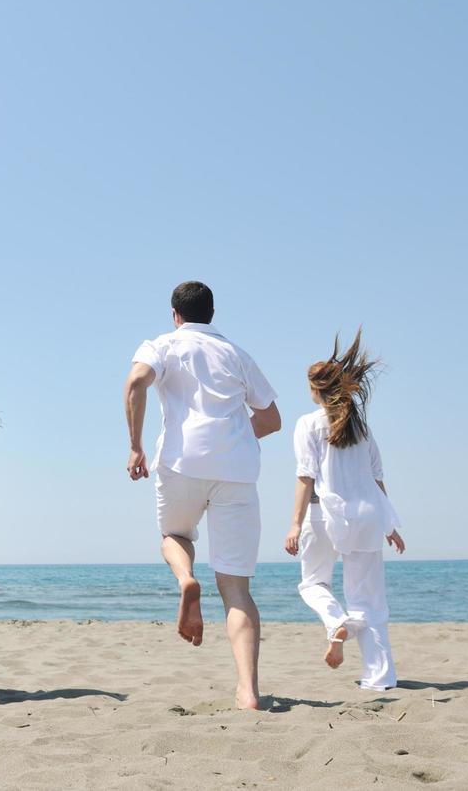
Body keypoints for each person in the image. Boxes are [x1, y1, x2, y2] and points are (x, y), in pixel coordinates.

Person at [124, 281, 281, 710]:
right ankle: (248, 691)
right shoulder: (236, 353)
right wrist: (233, 435)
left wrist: (136, 446)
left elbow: (136, 381)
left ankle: (186, 579)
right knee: (237, 589)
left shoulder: (165, 346)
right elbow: (271, 418)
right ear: (211, 314)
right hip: (237, 471)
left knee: (174, 535)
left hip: (182, 463)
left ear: (175, 314)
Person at [284, 330, 405, 690]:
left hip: (325, 515)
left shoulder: (308, 424)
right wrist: (389, 524)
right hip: (368, 515)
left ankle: (336, 620)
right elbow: (378, 480)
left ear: (316, 391)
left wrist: (294, 524)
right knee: (369, 600)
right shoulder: (361, 427)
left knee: (312, 583)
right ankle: (380, 678)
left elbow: (305, 477)